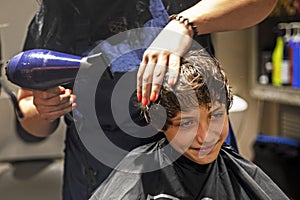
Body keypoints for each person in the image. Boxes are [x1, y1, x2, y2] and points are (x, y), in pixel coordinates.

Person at [16, 0, 278, 199]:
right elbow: (28, 113)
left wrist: (183, 25)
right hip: (98, 174)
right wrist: (43, 109)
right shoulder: (56, 16)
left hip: (199, 165)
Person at [89, 49, 289, 200]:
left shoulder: (243, 174)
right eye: (186, 124)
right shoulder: (136, 175)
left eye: (217, 115)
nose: (205, 137)